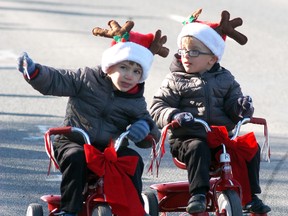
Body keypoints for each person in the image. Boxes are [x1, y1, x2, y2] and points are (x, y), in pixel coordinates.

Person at [17, 20, 169, 216]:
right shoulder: (86, 78)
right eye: (124, 67)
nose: (129, 76)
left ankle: (133, 208)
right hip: (74, 141)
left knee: (132, 160)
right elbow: (57, 79)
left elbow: (152, 131)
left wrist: (145, 130)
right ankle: (69, 209)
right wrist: (34, 71)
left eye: (136, 71)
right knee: (76, 157)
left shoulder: (135, 100)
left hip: (109, 149)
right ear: (110, 64)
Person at [150, 9, 271, 215]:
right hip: (187, 139)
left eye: (194, 51)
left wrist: (240, 107)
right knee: (198, 147)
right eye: (183, 51)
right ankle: (197, 193)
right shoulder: (175, 79)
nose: (186, 56)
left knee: (248, 147)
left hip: (220, 138)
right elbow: (158, 106)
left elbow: (234, 103)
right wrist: (173, 115)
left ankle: (251, 196)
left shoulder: (226, 79)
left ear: (213, 59)